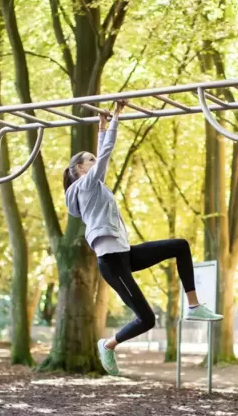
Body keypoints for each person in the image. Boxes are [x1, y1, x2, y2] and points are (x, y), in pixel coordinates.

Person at [63, 100, 223, 376]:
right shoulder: (84, 186)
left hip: (124, 254)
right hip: (112, 261)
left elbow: (100, 154)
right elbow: (106, 154)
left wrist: (102, 125)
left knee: (180, 246)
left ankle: (194, 305)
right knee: (147, 319)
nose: (95, 161)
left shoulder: (93, 186)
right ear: (79, 168)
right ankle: (108, 345)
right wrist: (115, 118)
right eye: (89, 159)